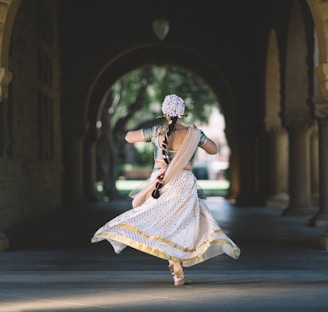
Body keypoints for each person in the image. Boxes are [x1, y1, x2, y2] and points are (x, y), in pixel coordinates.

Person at [91, 94, 240, 286]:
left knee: (162, 223)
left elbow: (128, 137)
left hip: (159, 183)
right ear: (183, 113)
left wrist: (148, 131)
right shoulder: (193, 134)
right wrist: (199, 135)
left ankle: (177, 271)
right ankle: (178, 273)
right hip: (184, 184)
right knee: (179, 226)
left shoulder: (157, 131)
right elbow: (214, 150)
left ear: (164, 113)